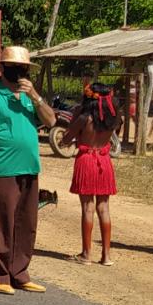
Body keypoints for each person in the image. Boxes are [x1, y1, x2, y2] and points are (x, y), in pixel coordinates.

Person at [0, 46, 57, 294]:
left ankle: (19, 272)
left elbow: (51, 121)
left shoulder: (29, 98)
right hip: (2, 168)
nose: (21, 73)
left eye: (24, 69)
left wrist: (36, 97)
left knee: (26, 223)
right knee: (1, 224)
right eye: (16, 68)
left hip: (29, 168)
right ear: (4, 69)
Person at [61, 82, 120, 266]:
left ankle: (86, 254)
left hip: (86, 160)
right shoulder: (113, 119)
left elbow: (65, 139)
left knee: (88, 208)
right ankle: (106, 256)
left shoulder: (83, 118)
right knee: (104, 208)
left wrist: (75, 116)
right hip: (104, 161)